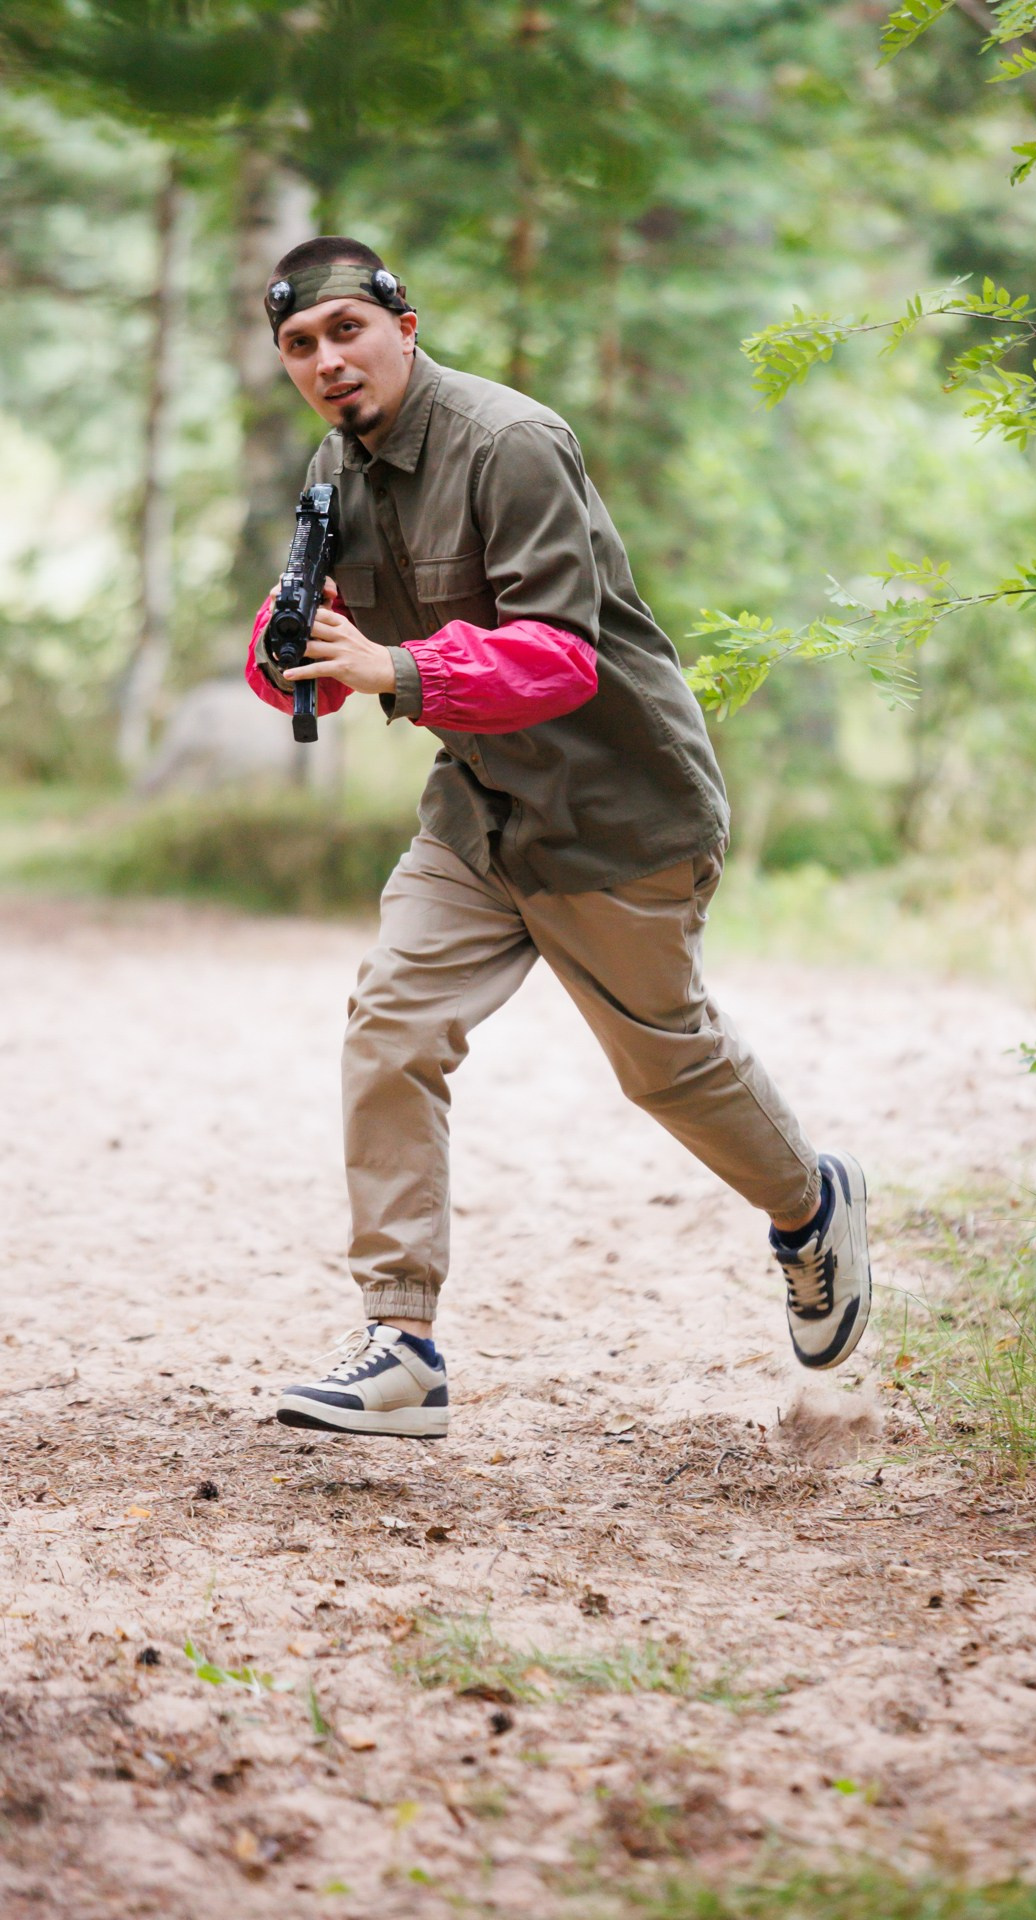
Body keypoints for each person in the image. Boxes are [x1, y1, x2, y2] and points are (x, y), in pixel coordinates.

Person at [245, 236, 872, 1440]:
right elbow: (317, 660)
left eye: (346, 332)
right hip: (479, 811)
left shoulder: (510, 442)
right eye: (299, 345)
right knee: (391, 1019)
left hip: (615, 808)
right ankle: (401, 1345)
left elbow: (558, 657)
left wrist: (395, 667)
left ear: (405, 327)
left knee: (664, 1064)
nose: (327, 362)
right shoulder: (336, 470)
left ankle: (807, 1205)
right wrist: (292, 655)